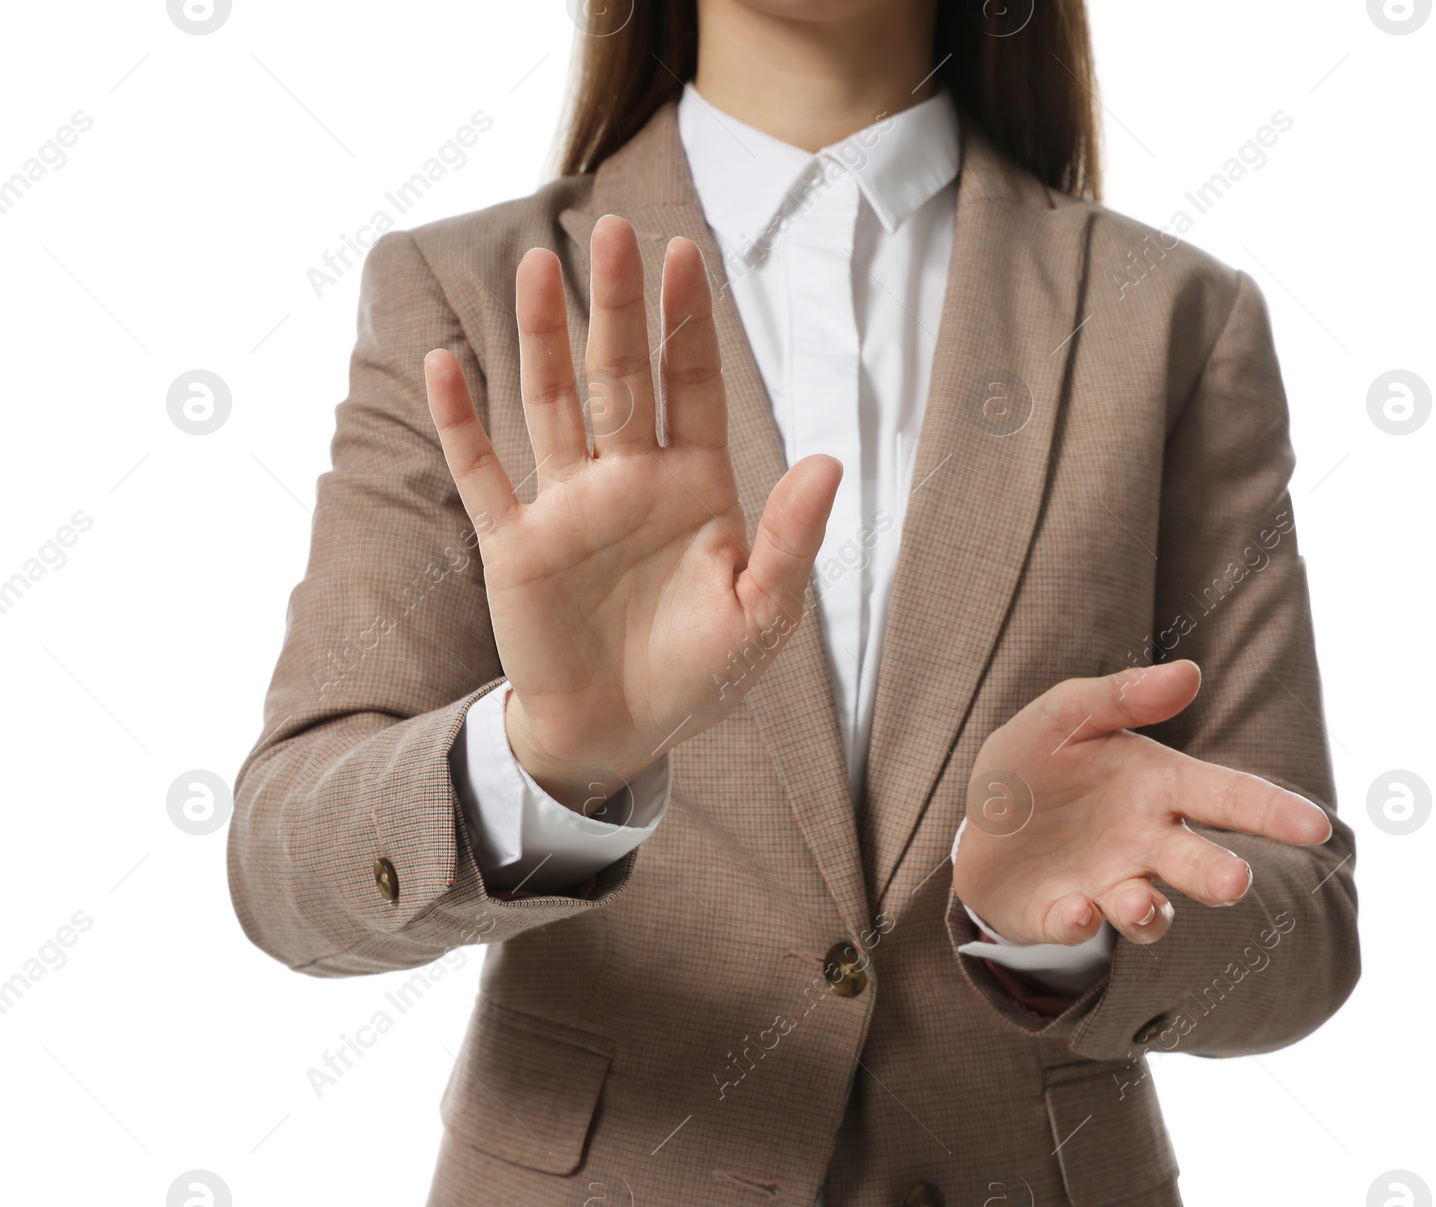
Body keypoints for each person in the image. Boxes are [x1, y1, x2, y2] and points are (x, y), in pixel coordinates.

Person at [228, 2, 1360, 1203]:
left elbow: (1307, 920)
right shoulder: (460, 290)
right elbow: (282, 866)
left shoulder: (1172, 316)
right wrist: (537, 763)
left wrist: (1055, 932)